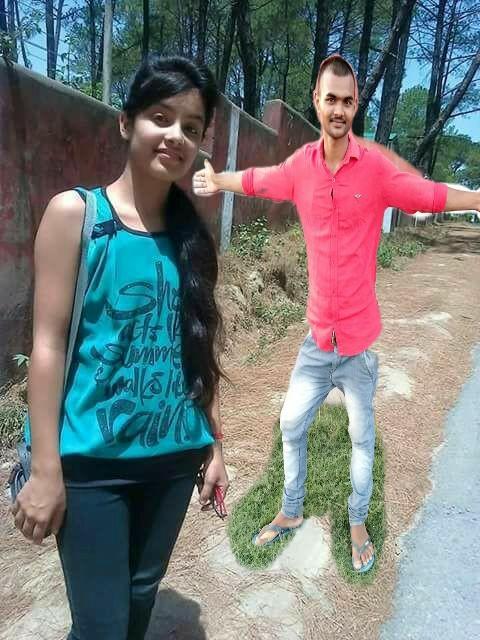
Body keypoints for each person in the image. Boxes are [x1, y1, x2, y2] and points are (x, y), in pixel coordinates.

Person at [193, 53, 480, 573]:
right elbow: (260, 179)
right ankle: (291, 509)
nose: (339, 110)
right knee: (290, 424)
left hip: (358, 346)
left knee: (361, 438)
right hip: (316, 341)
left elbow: (428, 195)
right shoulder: (300, 167)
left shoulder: (375, 170)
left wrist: (475, 199)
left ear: (356, 104)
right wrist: (219, 182)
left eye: (348, 101)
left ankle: (356, 520)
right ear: (317, 102)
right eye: (331, 99)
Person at [11, 55, 229, 638]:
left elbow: (199, 349)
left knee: (137, 604)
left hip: (172, 461)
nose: (176, 135)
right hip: (92, 466)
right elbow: (48, 346)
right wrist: (46, 469)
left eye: (191, 126)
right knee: (102, 625)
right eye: (161, 117)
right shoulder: (78, 216)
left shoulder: (192, 239)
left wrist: (214, 446)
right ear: (126, 122)